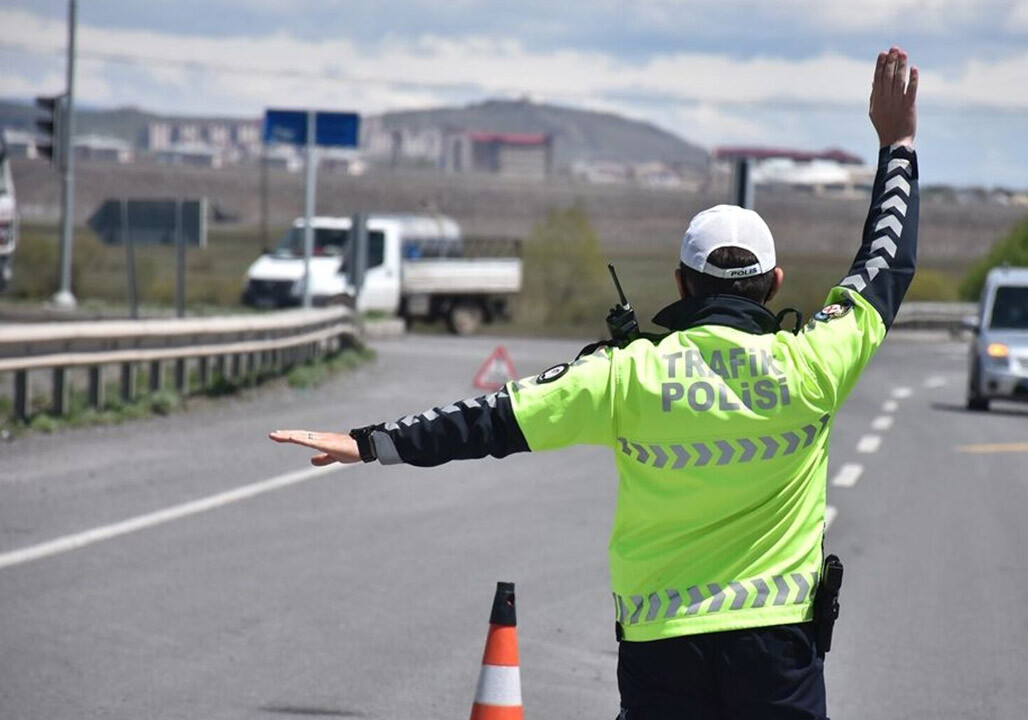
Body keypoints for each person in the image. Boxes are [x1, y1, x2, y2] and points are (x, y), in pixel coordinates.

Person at [271, 46, 919, 720]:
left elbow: (491, 419)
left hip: (661, 650)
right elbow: (886, 261)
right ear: (775, 285)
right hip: (779, 652)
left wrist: (372, 442)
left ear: (679, 285)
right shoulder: (815, 363)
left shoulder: (624, 376)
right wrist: (896, 145)